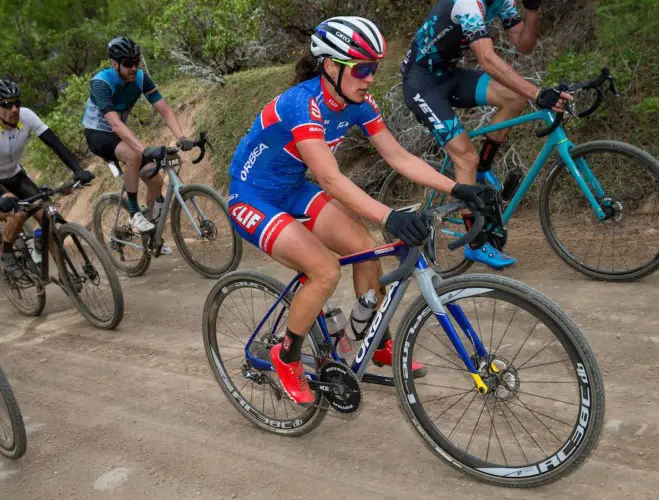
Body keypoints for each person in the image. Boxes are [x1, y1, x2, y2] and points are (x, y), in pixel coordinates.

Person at [227, 16, 489, 404]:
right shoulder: (303, 103)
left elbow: (398, 156)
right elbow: (332, 181)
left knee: (366, 251)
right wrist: (390, 215)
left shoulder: (358, 103)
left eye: (374, 68)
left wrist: (460, 187)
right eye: (362, 68)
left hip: (294, 190)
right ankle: (287, 356)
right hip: (252, 197)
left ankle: (371, 340)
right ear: (331, 66)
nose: (370, 78)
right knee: (324, 270)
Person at [401, 0, 572, 269]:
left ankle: (482, 169)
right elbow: (487, 59)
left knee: (514, 97)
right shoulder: (467, 4)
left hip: (448, 74)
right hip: (421, 83)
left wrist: (532, 10)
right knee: (465, 158)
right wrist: (538, 94)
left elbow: (524, 45)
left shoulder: (501, 2)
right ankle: (476, 242)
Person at [0, 79, 94, 277]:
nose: (14, 109)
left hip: (16, 174)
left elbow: (54, 142)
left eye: (16, 103)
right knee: (18, 213)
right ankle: (7, 252)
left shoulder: (26, 116)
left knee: (46, 216)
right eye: (6, 104)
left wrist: (77, 169)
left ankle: (64, 273)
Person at [82, 35, 192, 250]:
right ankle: (134, 214)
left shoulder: (140, 78)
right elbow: (114, 124)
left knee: (156, 180)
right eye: (128, 64)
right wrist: (144, 149)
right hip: (98, 133)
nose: (134, 68)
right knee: (134, 155)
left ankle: (148, 230)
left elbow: (164, 109)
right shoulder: (101, 82)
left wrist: (182, 136)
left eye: (136, 62)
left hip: (119, 132)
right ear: (115, 64)